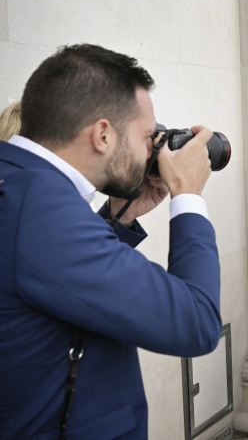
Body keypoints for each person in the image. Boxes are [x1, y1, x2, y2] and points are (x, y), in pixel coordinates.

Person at [0, 44, 221, 439]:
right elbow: (198, 321)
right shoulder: (43, 213)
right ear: (102, 134)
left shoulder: (21, 184)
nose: (149, 150)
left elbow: (60, 279)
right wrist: (187, 195)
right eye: (147, 136)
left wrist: (121, 213)